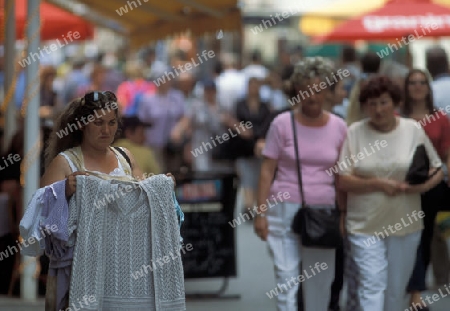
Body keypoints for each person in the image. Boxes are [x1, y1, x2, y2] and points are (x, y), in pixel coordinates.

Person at [20, 91, 184, 310]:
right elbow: (39, 211)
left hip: (128, 265)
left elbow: (143, 192)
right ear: (81, 125)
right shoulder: (66, 161)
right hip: (80, 265)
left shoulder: (125, 157)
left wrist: (161, 186)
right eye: (98, 123)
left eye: (111, 122)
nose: (106, 130)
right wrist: (64, 190)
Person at [338, 76, 443, 311]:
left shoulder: (412, 129)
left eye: (384, 102)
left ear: (395, 103)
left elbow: (436, 168)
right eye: (372, 104)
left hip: (405, 222)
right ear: (364, 106)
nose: (378, 109)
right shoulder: (354, 132)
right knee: (372, 284)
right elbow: (343, 178)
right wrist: (377, 184)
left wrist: (420, 188)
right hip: (364, 224)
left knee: (396, 291)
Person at [254, 57, 347, 311]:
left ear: (328, 93)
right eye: (306, 89)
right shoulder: (282, 124)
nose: (312, 96)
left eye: (318, 89)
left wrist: (344, 214)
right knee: (287, 281)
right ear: (296, 91)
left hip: (324, 210)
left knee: (320, 284)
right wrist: (260, 213)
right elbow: (267, 170)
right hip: (284, 209)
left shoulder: (339, 127)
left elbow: (341, 175)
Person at [401, 69, 450, 310]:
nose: (418, 86)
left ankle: (415, 290)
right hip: (402, 187)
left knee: (425, 236)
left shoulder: (440, 118)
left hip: (433, 186)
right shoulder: (397, 117)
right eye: (413, 82)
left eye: (422, 82)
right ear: (406, 87)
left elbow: (448, 152)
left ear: (429, 88)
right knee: (410, 238)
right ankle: (414, 293)